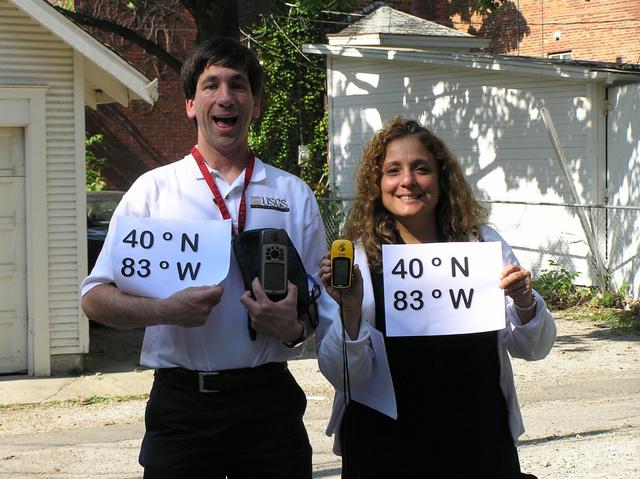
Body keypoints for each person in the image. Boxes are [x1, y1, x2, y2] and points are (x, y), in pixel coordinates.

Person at [80, 37, 335, 479]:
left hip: (268, 405)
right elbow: (94, 297)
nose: (225, 97)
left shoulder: (293, 194)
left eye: (238, 85)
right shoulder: (153, 192)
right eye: (211, 84)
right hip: (183, 409)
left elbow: (319, 306)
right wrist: (163, 310)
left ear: (255, 105)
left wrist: (292, 330)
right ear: (190, 103)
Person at [316, 117, 556, 478]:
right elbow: (342, 374)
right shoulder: (357, 260)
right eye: (393, 170)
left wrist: (524, 302)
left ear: (442, 179)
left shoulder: (483, 246)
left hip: (476, 440)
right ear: (377, 184)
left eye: (421, 168)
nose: (407, 181)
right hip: (383, 447)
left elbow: (533, 348)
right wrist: (350, 310)